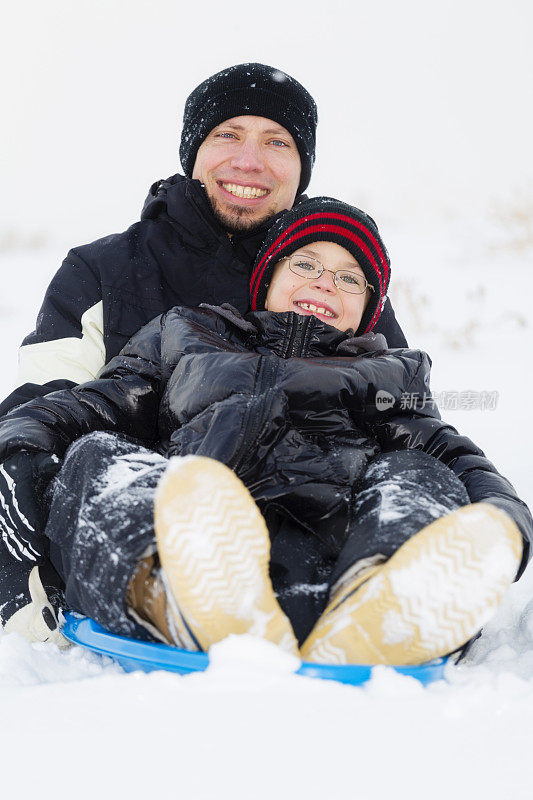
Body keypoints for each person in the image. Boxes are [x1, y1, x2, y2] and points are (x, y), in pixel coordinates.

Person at [0, 198, 530, 665]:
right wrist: (20, 442)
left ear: (368, 310)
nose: (327, 282)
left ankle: (389, 605)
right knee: (102, 454)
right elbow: (98, 404)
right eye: (306, 264)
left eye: (350, 278)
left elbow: (452, 455)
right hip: (187, 527)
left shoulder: (391, 374)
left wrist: (502, 524)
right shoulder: (186, 335)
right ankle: (169, 593)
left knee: (416, 471)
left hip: (331, 552)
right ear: (268, 278)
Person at [0, 62, 408, 644]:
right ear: (193, 150)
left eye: (277, 141)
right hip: (153, 527)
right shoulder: (104, 271)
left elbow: (403, 416)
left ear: (302, 166)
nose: (249, 161)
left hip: (310, 531)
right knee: (88, 452)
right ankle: (169, 595)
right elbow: (46, 411)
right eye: (227, 134)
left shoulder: (334, 284)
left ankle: (386, 606)